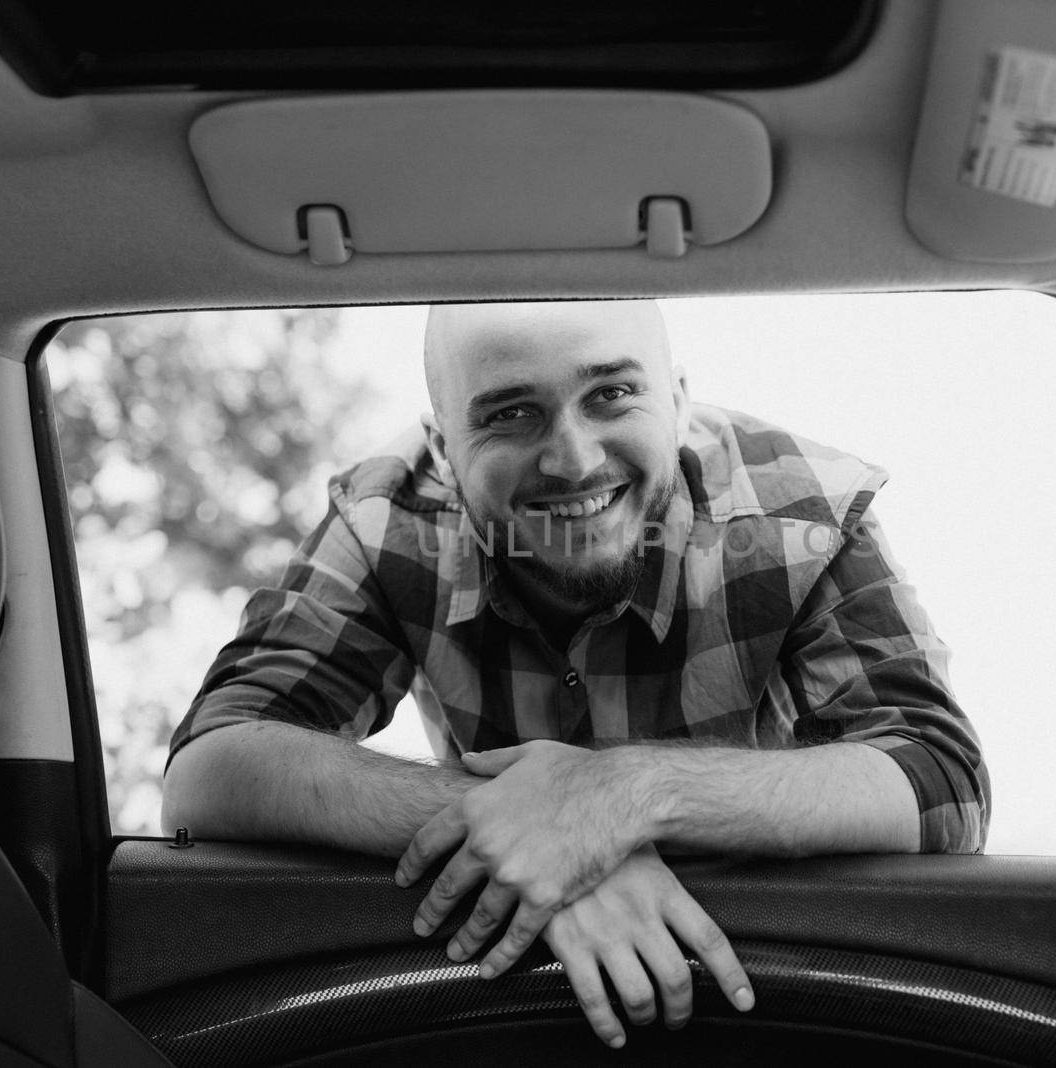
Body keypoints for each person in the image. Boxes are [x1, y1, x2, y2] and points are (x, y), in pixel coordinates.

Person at [163, 299, 989, 1049]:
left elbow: (940, 779)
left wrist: (622, 797)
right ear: (444, 450)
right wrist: (519, 825)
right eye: (510, 414)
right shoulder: (387, 526)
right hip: (492, 1001)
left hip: (770, 992)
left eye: (611, 395)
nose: (572, 458)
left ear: (677, 399)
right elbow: (209, 766)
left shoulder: (801, 516)